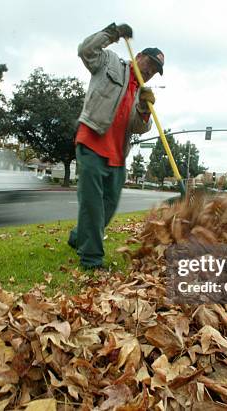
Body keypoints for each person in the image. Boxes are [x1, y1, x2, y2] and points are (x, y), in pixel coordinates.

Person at [68, 23, 164, 269]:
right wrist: (111, 33)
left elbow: (138, 127)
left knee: (107, 210)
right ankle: (92, 260)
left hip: (118, 155)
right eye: (150, 64)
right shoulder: (110, 62)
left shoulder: (141, 91)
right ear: (139, 56)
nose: (151, 70)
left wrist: (144, 108)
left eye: (156, 69)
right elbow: (85, 50)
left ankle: (79, 237)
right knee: (92, 205)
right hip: (91, 141)